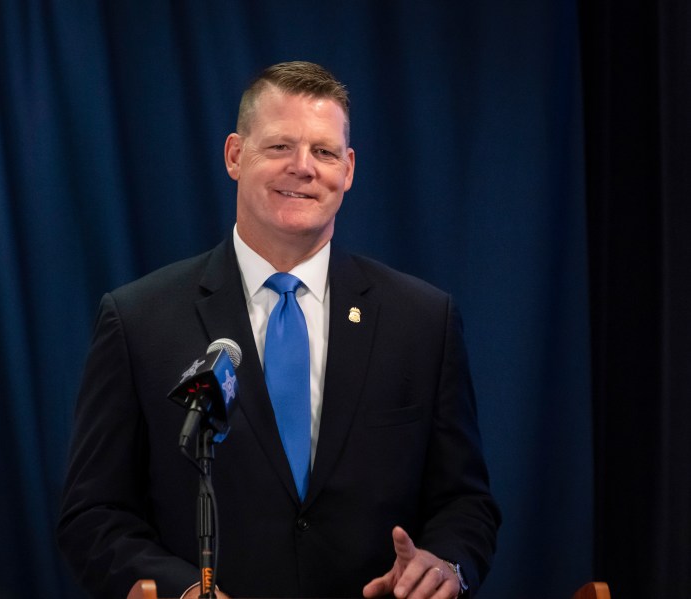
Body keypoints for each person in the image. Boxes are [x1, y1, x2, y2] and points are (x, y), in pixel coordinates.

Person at [58, 61, 500, 599]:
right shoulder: (139, 319)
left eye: (324, 151)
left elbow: (466, 503)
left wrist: (445, 566)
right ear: (235, 156)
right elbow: (93, 513)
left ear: (349, 169)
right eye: (279, 148)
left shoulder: (424, 321)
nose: (303, 168)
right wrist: (183, 590)